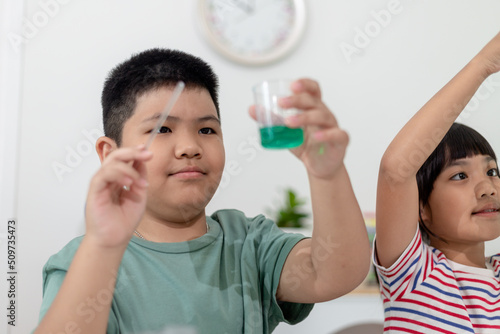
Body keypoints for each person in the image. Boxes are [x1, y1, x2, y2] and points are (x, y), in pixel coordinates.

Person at [35, 49, 371, 334]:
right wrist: (103, 245)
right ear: (111, 154)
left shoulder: (249, 244)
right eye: (162, 128)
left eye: (207, 129)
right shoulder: (83, 260)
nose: (189, 147)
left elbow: (335, 272)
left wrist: (327, 175)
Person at [374, 31, 500, 333]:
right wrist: (485, 64)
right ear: (421, 207)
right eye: (460, 175)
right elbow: (396, 170)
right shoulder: (413, 273)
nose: (488, 188)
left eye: (492, 171)